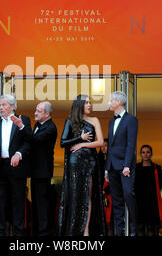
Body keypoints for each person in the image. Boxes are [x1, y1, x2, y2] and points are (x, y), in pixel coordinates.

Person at [57, 94, 105, 236]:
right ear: (79, 105)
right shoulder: (70, 121)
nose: (90, 105)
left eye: (90, 102)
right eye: (87, 103)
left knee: (87, 196)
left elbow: (101, 142)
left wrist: (83, 143)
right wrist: (79, 138)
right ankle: (73, 229)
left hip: (90, 162)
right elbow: (63, 142)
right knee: (75, 195)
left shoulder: (94, 120)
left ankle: (86, 230)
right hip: (75, 162)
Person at [0, 94, 31, 236]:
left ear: (13, 106)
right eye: (0, 105)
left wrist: (19, 154)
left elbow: (28, 142)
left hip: (17, 167)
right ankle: (0, 231)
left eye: (4, 105)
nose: (1, 107)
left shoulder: (23, 120)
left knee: (18, 201)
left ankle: (18, 233)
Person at [11, 101, 57, 237]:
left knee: (42, 203)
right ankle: (36, 231)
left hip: (43, 171)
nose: (35, 113)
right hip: (35, 170)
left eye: (39, 111)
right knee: (36, 202)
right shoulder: (38, 124)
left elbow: (35, 140)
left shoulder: (51, 127)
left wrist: (21, 126)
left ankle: (43, 233)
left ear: (47, 114)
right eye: (36, 110)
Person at [105, 91, 138, 236]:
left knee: (128, 194)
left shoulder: (131, 120)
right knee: (116, 199)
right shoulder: (111, 122)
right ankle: (120, 231)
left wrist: (126, 165)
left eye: (111, 100)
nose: (109, 103)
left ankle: (133, 229)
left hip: (125, 165)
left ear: (118, 102)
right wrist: (107, 169)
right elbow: (110, 147)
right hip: (112, 166)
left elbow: (131, 144)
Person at [135, 144, 162, 236]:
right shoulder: (136, 167)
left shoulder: (157, 167)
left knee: (151, 227)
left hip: (152, 202)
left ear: (151, 154)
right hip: (139, 201)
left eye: (148, 152)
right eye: (143, 152)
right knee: (139, 227)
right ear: (140, 154)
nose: (145, 154)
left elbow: (160, 185)